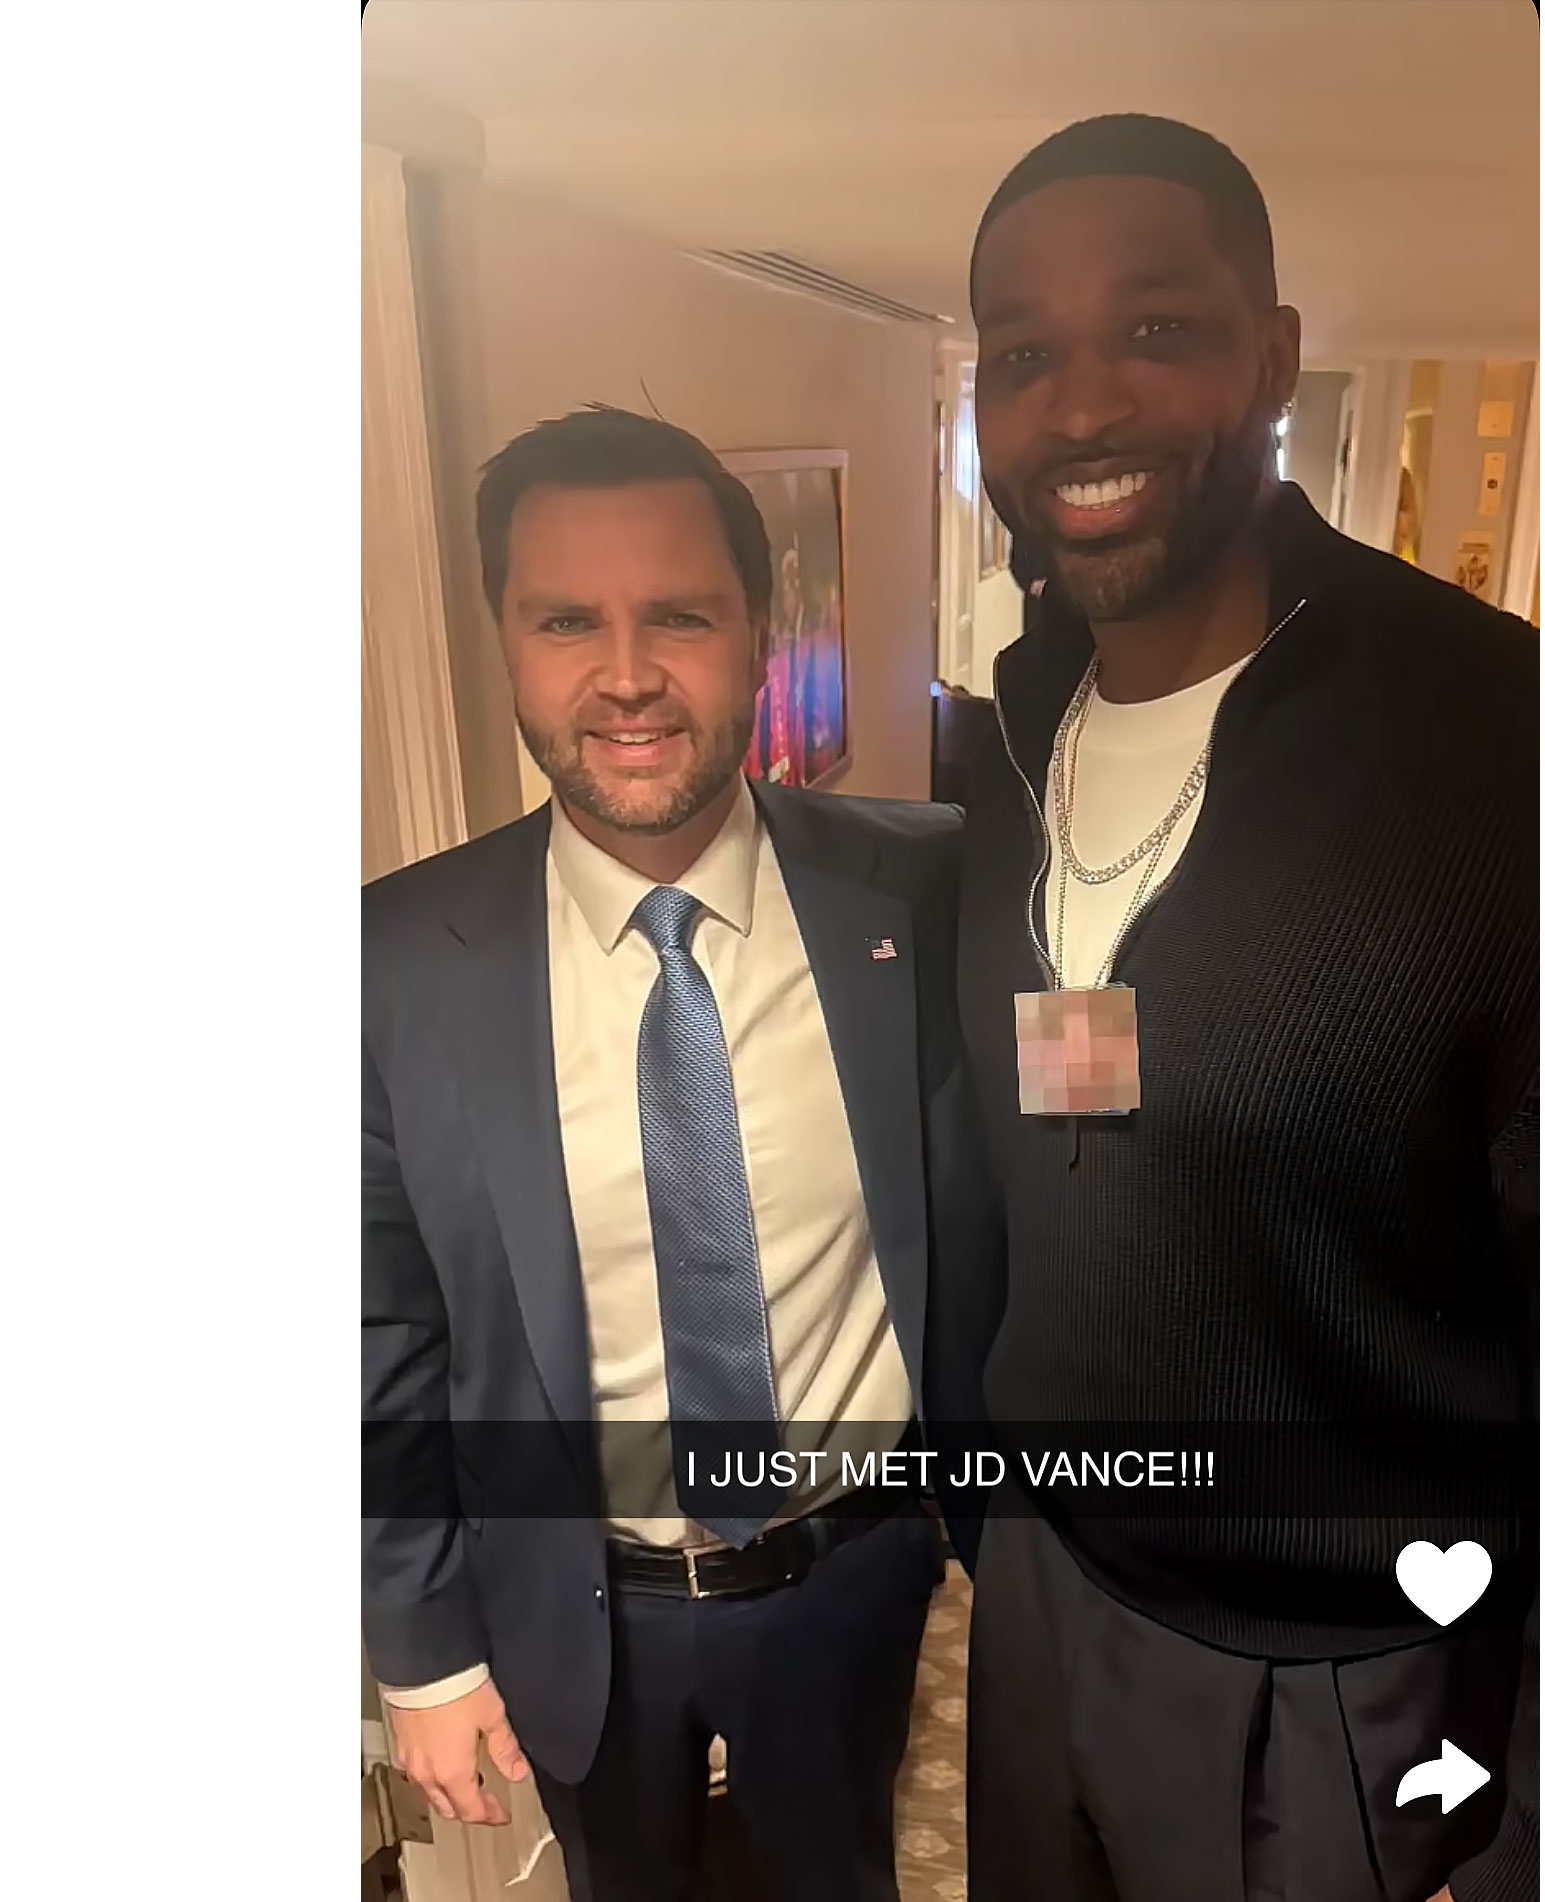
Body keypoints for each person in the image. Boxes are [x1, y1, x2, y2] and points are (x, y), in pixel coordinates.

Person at [953, 117, 1537, 1902]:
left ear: (1272, 357)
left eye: (1153, 328)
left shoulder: (1501, 745)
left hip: (1343, 1667)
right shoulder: (1004, 730)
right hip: (1041, 1587)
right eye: (1022, 351)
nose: (1077, 407)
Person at [362, 405, 994, 1902]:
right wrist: (422, 1643)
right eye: (567, 619)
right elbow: (378, 1330)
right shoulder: (390, 959)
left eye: (680, 616)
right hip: (571, 1600)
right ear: (506, 640)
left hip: (854, 1571)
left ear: (758, 635)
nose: (628, 673)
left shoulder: (923, 880)